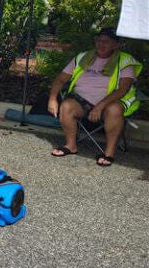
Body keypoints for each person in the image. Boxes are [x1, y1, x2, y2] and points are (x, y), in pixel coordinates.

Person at [47, 27, 142, 167]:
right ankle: (70, 145)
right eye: (99, 40)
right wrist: (52, 99)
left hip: (109, 103)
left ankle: (109, 153)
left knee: (114, 109)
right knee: (66, 106)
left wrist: (100, 106)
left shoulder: (125, 60)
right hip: (81, 101)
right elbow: (60, 79)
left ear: (116, 45)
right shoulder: (82, 57)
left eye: (106, 42)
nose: (101, 44)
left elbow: (123, 89)